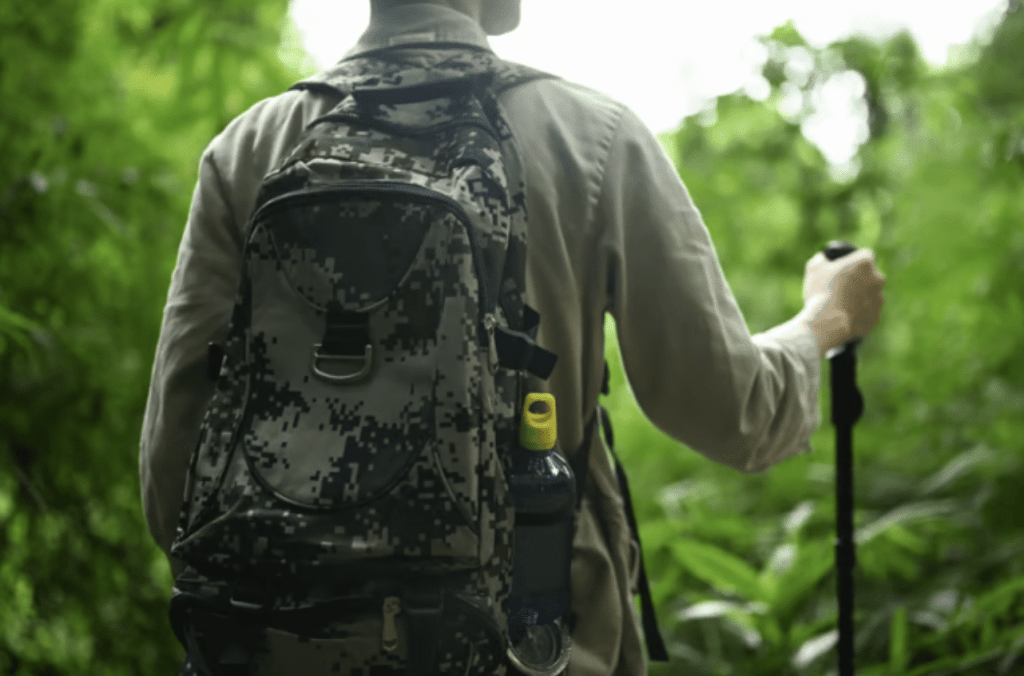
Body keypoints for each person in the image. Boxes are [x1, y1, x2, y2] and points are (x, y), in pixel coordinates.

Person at [139, 0, 887, 674]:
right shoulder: (594, 138)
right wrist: (824, 320)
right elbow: (734, 412)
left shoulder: (247, 152)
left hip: (279, 649)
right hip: (533, 649)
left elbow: (171, 483)